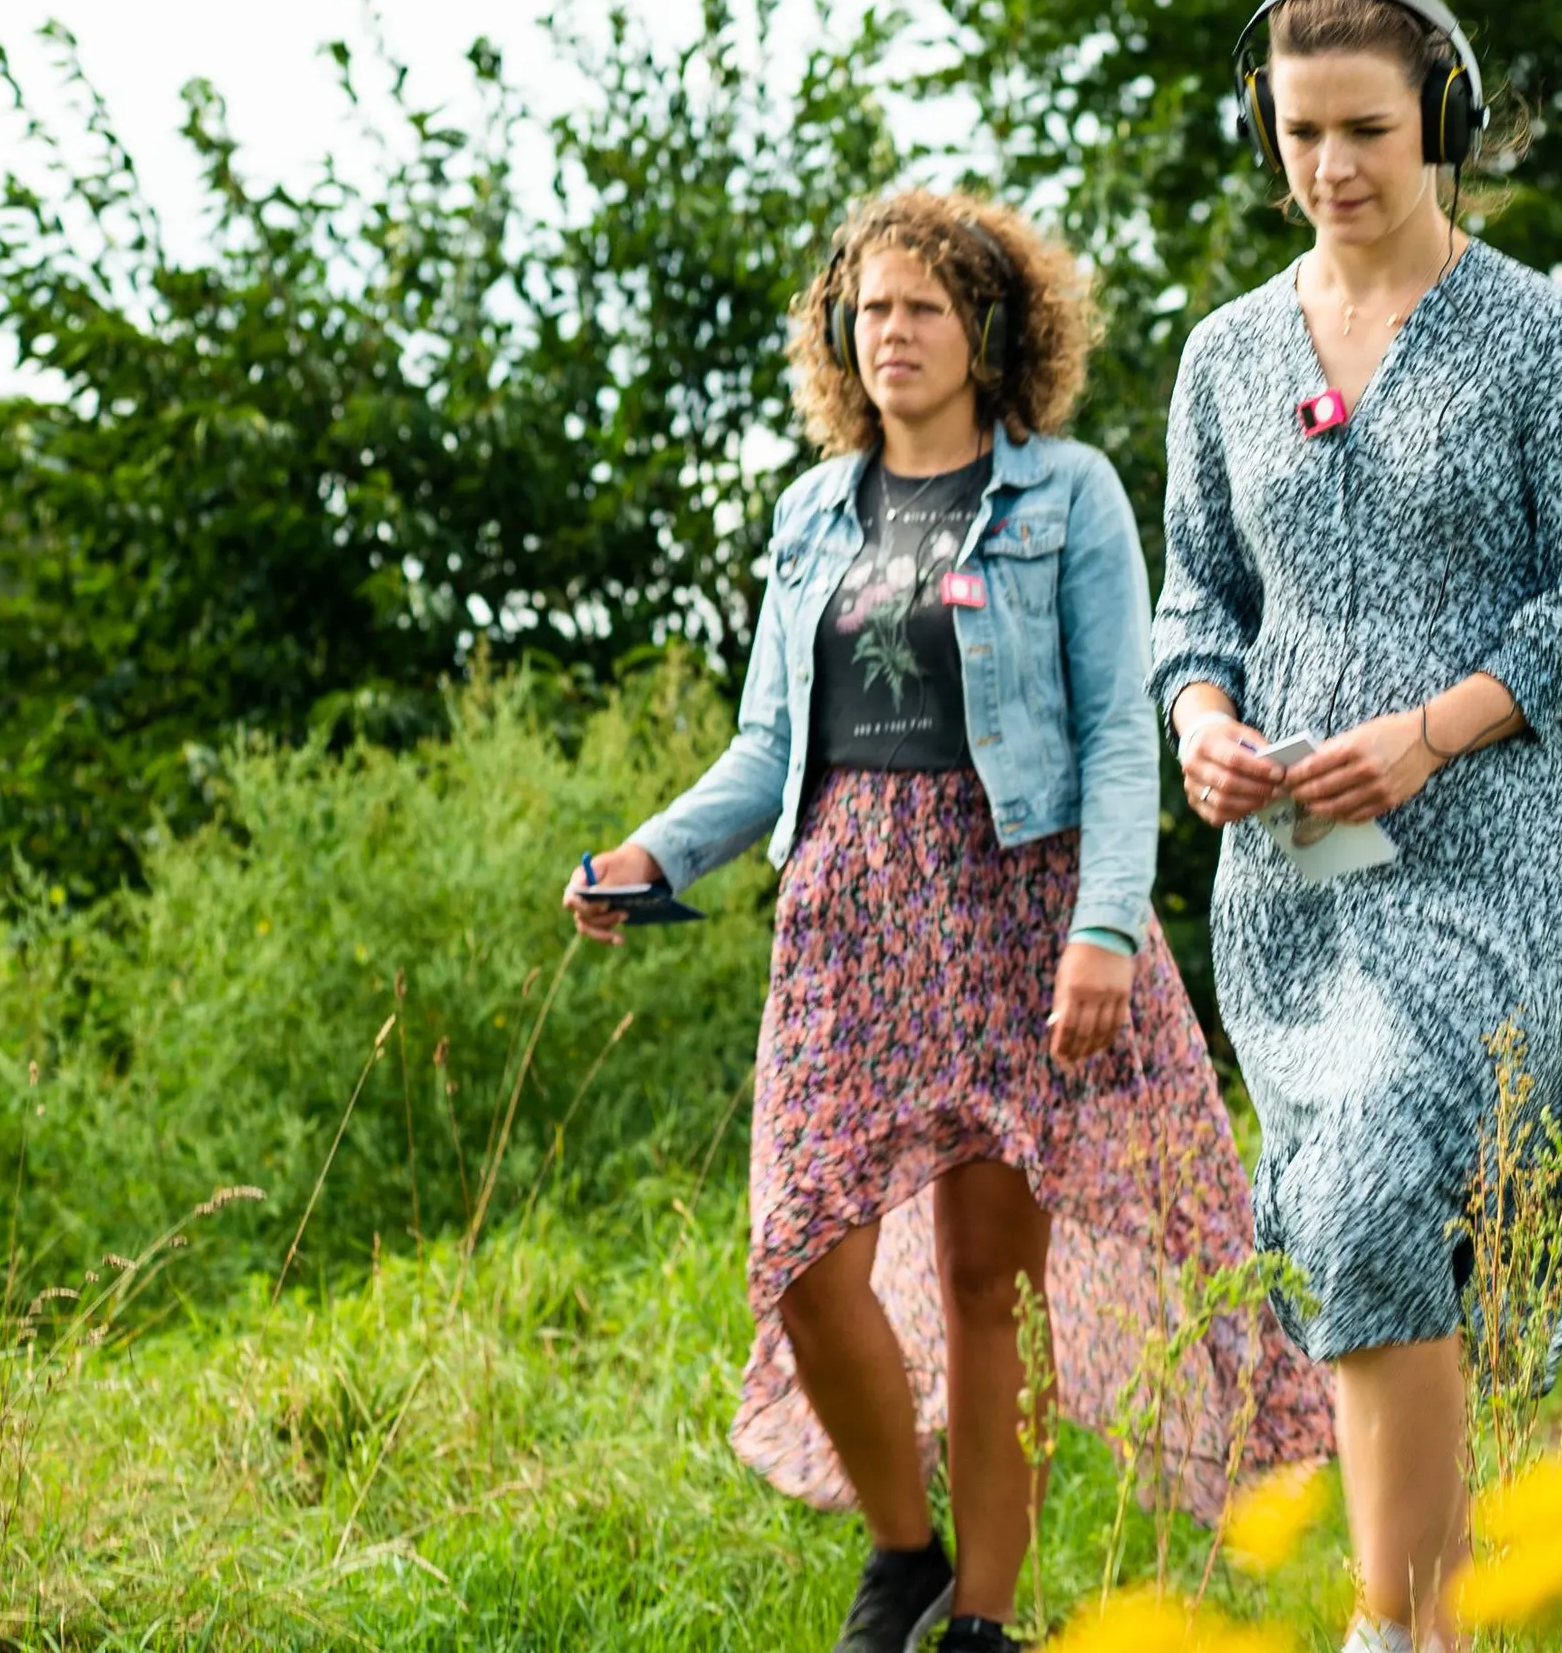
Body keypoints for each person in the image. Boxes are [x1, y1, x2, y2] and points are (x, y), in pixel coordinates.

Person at [565, 189, 1326, 1653]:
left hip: (1016, 904)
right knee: (801, 1257)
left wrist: (1105, 925)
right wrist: (651, 850)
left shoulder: (1069, 493)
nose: (891, 332)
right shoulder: (809, 512)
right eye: (869, 308)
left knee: (992, 1280)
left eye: (921, 306)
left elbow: (1116, 728)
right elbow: (765, 743)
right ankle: (902, 1548)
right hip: (848, 914)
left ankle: (982, 1613)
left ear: (987, 329)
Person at [1154, 0, 1562, 1653]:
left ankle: (1396, 1623)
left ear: (1445, 124)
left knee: (1357, 1172)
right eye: (1300, 133)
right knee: (1352, 1197)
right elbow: (1200, 597)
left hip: (1500, 853)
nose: (1331, 165)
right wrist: (1201, 726)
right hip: (1290, 886)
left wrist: (1425, 729)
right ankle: (1433, 1612)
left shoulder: (1541, 333)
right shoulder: (1225, 354)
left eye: (1367, 132)